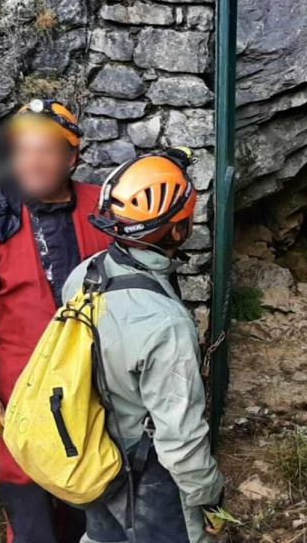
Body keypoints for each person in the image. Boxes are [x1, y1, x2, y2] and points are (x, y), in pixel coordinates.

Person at [0, 99, 111, 542]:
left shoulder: (103, 209)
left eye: (48, 150)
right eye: (23, 150)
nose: (33, 162)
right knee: (31, 510)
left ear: (72, 157)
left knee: (95, 499)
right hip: (23, 394)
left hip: (98, 385)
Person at [60, 149, 225, 543]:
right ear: (179, 231)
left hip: (95, 455)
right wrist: (210, 495)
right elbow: (180, 440)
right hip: (149, 477)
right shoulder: (165, 324)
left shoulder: (85, 274)